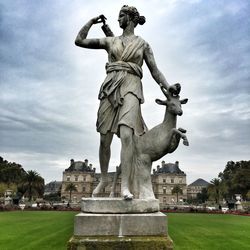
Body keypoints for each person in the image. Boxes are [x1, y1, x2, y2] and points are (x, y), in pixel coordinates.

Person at [75, 5, 179, 200]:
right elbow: (79, 41)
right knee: (104, 138)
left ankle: (126, 187)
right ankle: (105, 179)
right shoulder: (111, 41)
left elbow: (155, 71)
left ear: (131, 19)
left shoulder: (143, 44)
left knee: (126, 135)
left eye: (121, 16)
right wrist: (91, 21)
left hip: (132, 86)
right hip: (110, 87)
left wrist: (167, 85)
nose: (118, 19)